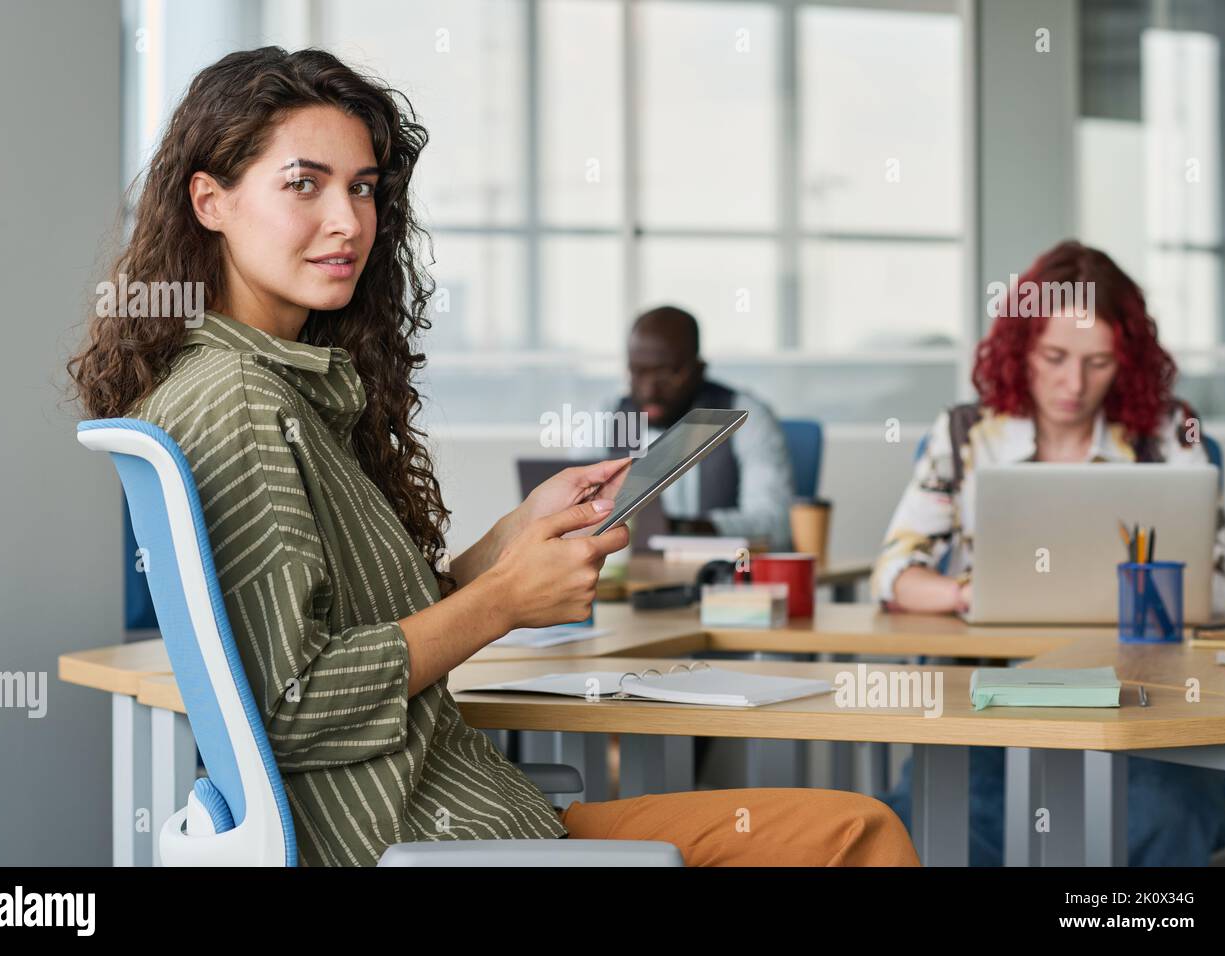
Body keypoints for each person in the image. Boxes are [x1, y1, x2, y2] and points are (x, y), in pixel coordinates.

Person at [67, 46, 917, 867]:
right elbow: (289, 704)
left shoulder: (272, 387)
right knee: (856, 836)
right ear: (210, 200)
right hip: (431, 844)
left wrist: (506, 546)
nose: (347, 222)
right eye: (303, 185)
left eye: (363, 189)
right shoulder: (242, 401)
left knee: (843, 830)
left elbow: (350, 637)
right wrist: (505, 602)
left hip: (477, 820)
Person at [872, 239, 1225, 866]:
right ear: (1021, 349)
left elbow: (1220, 589)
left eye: (1099, 362)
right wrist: (967, 593)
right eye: (1055, 357)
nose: (1075, 384)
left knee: (1163, 813)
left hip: (1142, 698)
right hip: (992, 696)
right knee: (932, 820)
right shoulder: (966, 433)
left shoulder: (1170, 431)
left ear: (1128, 360)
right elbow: (895, 572)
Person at [603, 306, 795, 550]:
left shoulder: (745, 416)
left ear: (699, 369)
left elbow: (776, 526)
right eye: (638, 372)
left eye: (666, 373)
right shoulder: (607, 415)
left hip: (720, 577)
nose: (649, 390)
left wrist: (682, 530)